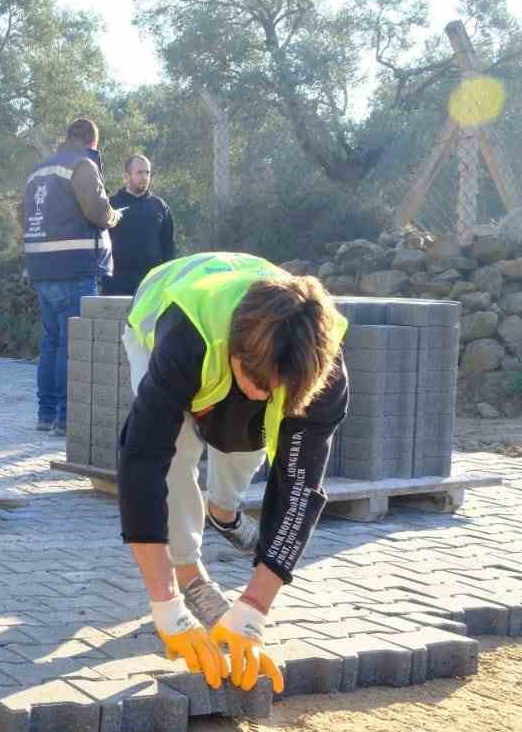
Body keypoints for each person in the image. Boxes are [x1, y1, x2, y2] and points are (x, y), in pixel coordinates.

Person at [116, 252, 349, 694]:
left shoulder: (324, 368)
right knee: (177, 453)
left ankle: (223, 509)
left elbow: (300, 486)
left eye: (276, 387)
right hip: (160, 310)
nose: (263, 393)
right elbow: (141, 460)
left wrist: (252, 611)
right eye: (256, 379)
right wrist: (165, 606)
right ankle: (189, 576)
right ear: (233, 350)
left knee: (249, 439)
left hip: (248, 334)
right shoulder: (188, 341)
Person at [22, 117, 120, 435]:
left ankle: (45, 413)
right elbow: (96, 210)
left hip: (41, 268)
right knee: (74, 345)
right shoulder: (82, 165)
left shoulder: (38, 171)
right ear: (93, 141)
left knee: (50, 343)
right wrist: (113, 216)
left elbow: (21, 215)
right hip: (75, 268)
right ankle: (67, 419)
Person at [104, 154, 175, 297]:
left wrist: (167, 277)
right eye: (139, 172)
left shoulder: (160, 206)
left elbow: (168, 246)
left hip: (152, 284)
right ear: (126, 176)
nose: (144, 177)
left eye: (147, 172)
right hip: (117, 284)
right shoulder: (111, 205)